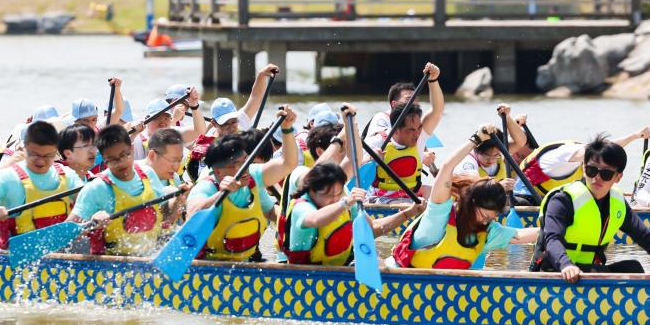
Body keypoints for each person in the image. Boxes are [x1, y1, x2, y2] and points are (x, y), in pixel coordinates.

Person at [391, 125, 538, 270]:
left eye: (490, 218)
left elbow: (519, 235)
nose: (485, 222)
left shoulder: (487, 231)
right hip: (398, 277)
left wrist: (549, 226)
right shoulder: (439, 212)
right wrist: (475, 139)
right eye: (484, 216)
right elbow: (447, 168)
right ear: (471, 202)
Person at [529, 136, 650, 281]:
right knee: (598, 271)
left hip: (588, 271)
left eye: (606, 174)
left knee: (633, 268)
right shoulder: (563, 200)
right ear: (584, 169)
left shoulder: (618, 203)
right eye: (591, 170)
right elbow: (552, 239)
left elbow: (646, 238)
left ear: (618, 177)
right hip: (556, 270)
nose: (597, 177)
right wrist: (566, 265)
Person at [185, 106, 300, 262]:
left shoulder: (252, 175)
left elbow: (288, 164)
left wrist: (287, 129)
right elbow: (191, 216)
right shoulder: (207, 185)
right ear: (218, 172)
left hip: (244, 261)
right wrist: (221, 194)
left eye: (245, 161)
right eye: (237, 164)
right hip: (208, 263)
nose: (245, 168)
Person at [278, 161, 420, 265]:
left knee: (377, 262)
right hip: (306, 274)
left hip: (341, 268)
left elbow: (372, 229)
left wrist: (407, 213)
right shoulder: (302, 207)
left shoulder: (344, 200)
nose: (335, 199)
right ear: (312, 190)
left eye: (338, 194)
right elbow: (315, 219)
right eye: (329, 195)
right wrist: (345, 202)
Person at [0, 121, 79, 250]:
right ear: (24, 148)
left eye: (48, 156)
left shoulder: (67, 175)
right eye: (35, 154)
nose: (41, 161)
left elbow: (87, 201)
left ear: (55, 151)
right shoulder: (8, 177)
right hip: (16, 254)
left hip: (61, 252)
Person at [69, 124, 168, 255]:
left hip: (152, 256)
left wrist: (178, 200)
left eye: (124, 155)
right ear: (104, 160)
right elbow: (67, 235)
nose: (120, 162)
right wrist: (91, 223)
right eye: (112, 160)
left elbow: (165, 216)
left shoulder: (148, 174)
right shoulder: (95, 189)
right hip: (113, 262)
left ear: (132, 148)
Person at [512, 127, 650, 205]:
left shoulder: (580, 156)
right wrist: (634, 136)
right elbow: (603, 150)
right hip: (525, 197)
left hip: (551, 198)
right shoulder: (561, 156)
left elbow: (605, 150)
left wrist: (635, 136)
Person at [365, 62, 445, 198]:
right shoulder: (380, 131)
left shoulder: (418, 130)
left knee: (443, 194)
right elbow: (356, 166)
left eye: (416, 100)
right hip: (381, 196)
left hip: (411, 192)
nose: (417, 134)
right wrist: (370, 159)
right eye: (409, 99)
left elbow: (437, 111)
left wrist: (433, 80)